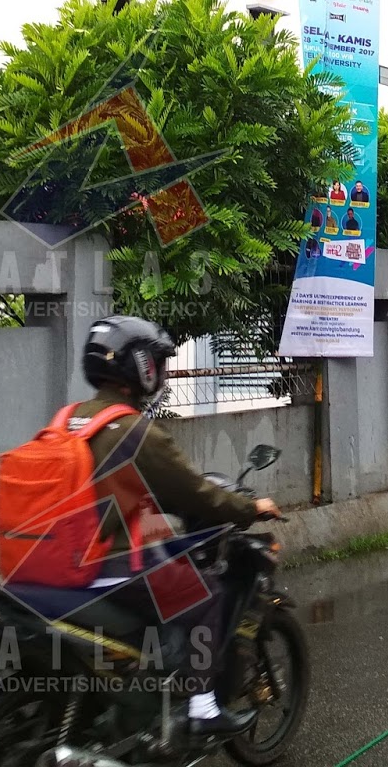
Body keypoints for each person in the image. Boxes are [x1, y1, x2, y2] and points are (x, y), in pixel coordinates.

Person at [69, 315, 281, 737]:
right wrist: (249, 508)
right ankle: (202, 707)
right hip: (107, 567)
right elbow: (195, 492)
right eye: (159, 362)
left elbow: (122, 487)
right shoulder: (135, 431)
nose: (162, 372)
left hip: (59, 562)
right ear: (142, 367)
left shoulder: (72, 420)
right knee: (207, 594)